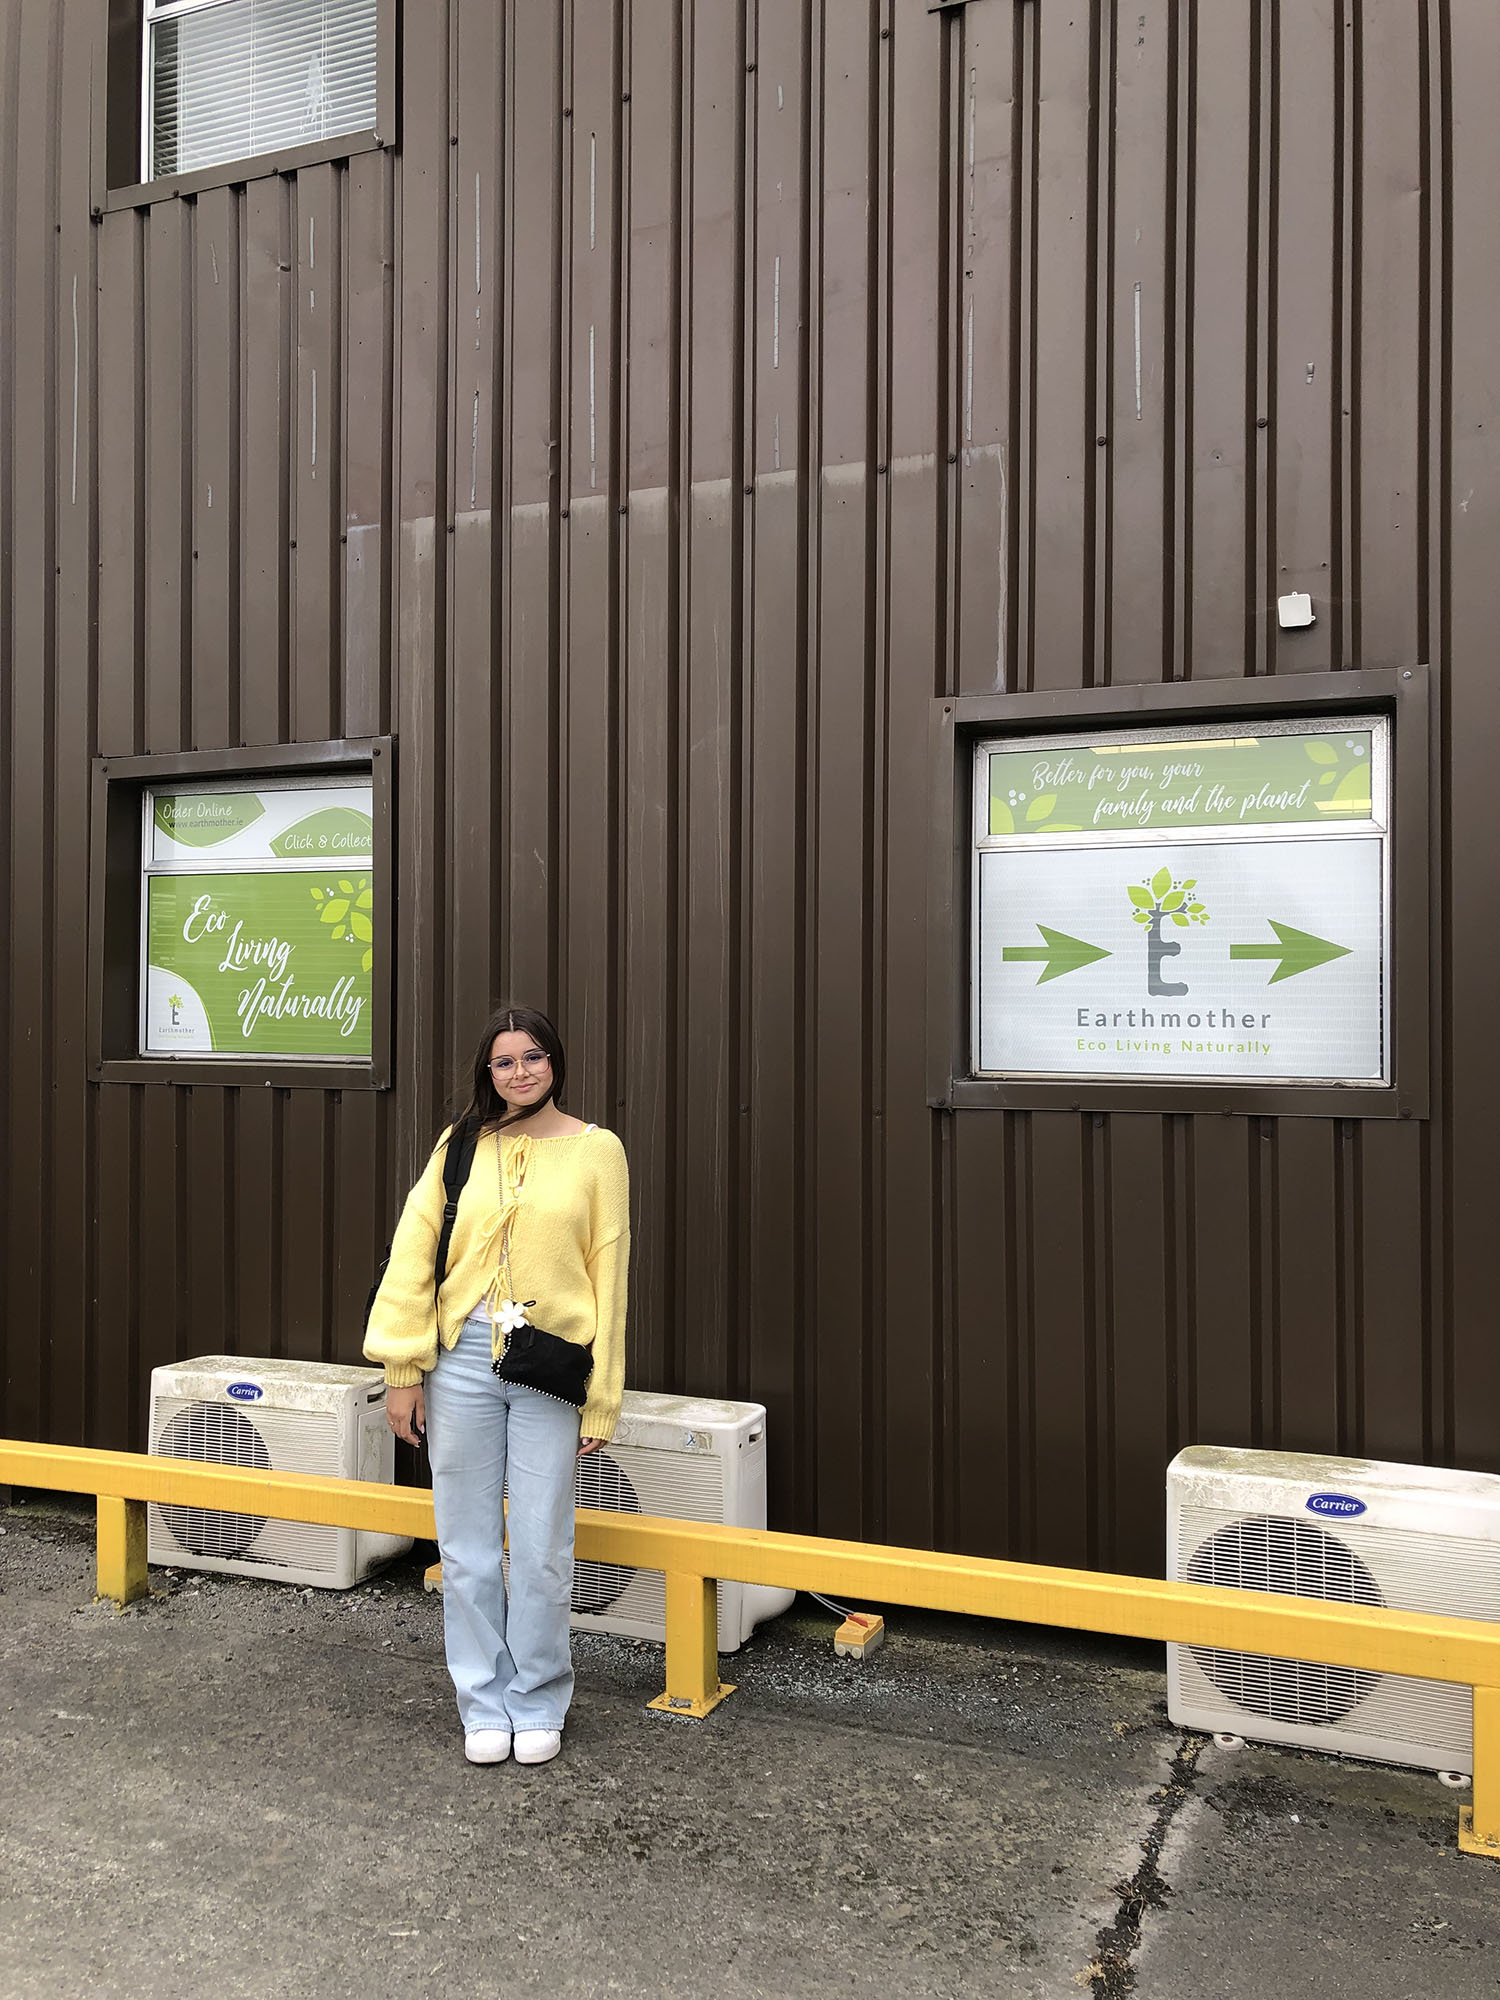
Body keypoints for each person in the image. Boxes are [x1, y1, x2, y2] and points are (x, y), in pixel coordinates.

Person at [363, 1004, 629, 1767]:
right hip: (459, 1363)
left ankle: (538, 1698)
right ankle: (482, 1700)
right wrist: (403, 1372)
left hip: (548, 1364)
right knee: (468, 1548)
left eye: (533, 1056)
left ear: (555, 1061)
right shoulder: (460, 1145)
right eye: (504, 1061)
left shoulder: (598, 1151)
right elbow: (414, 1254)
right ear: (489, 1070)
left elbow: (610, 1276)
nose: (520, 1072)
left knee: (542, 1547)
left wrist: (603, 1397)